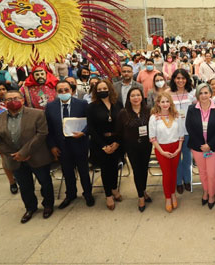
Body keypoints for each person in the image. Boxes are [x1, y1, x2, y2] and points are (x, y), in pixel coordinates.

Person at [0, 90, 54, 223]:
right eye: (8, 99)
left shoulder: (37, 114)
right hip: (14, 159)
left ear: (22, 100)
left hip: (37, 156)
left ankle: (48, 205)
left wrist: (24, 153)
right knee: (25, 187)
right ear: (4, 103)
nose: (12, 101)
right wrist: (15, 155)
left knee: (45, 183)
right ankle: (30, 208)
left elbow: (42, 134)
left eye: (15, 98)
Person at [46, 81, 94, 209]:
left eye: (66, 90)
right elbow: (48, 129)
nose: (63, 93)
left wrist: (83, 133)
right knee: (67, 172)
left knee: (83, 171)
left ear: (72, 91)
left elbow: (91, 123)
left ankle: (88, 194)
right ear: (56, 92)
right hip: (61, 146)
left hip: (80, 144)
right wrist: (52, 146)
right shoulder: (50, 107)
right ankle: (71, 194)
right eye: (60, 91)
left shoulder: (82, 104)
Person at [186, 83, 215, 210]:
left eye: (206, 93)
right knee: (202, 172)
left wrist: (210, 145)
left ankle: (212, 195)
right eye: (201, 93)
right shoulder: (191, 109)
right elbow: (189, 128)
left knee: (212, 173)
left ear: (210, 94)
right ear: (197, 95)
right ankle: (205, 191)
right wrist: (201, 145)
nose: (203, 95)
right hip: (198, 147)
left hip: (213, 148)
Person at [86, 79, 123, 210]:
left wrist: (117, 142)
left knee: (114, 167)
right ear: (96, 91)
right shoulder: (91, 106)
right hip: (99, 143)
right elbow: (90, 128)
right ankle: (108, 195)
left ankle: (114, 188)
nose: (102, 91)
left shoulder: (118, 104)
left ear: (110, 89)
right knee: (105, 169)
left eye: (104, 88)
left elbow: (122, 124)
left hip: (116, 141)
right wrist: (103, 146)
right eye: (99, 89)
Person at [114, 88, 153, 212]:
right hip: (131, 147)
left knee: (144, 169)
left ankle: (144, 190)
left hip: (146, 145)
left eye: (138, 95)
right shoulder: (123, 113)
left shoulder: (148, 111)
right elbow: (119, 132)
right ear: (129, 98)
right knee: (137, 170)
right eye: (133, 95)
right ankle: (141, 197)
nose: (136, 98)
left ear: (142, 97)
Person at [149, 92, 183, 213]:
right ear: (158, 103)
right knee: (167, 173)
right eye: (162, 102)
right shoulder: (154, 117)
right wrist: (162, 151)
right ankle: (168, 197)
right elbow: (152, 137)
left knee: (174, 172)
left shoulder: (176, 115)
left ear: (170, 103)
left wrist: (179, 148)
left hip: (175, 147)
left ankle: (173, 194)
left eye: (167, 101)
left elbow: (181, 133)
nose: (165, 104)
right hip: (161, 148)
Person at [168, 69, 195, 194]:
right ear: (174, 79)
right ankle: (178, 182)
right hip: (173, 132)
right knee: (176, 158)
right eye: (178, 78)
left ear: (187, 79)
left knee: (187, 157)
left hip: (188, 131)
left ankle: (187, 180)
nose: (180, 81)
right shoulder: (168, 93)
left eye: (183, 78)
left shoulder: (192, 93)